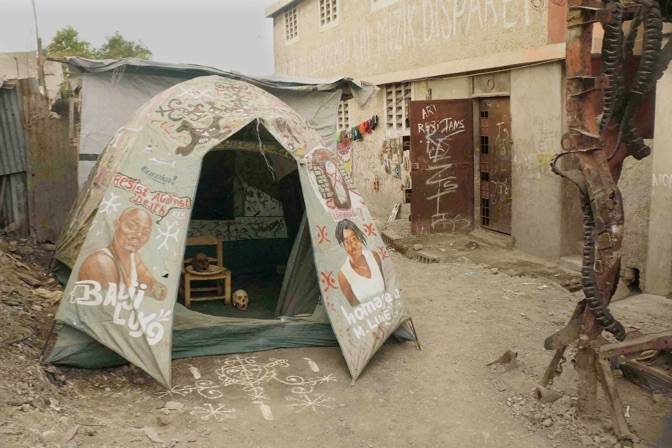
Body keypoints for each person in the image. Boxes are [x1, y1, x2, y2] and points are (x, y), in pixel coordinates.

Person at [78, 207, 167, 300]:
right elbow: (108, 304)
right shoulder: (100, 261)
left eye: (146, 232)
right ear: (116, 225)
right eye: (131, 226)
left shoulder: (134, 257)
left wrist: (155, 287)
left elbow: (145, 278)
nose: (139, 235)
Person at [335, 219, 385, 307]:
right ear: (342, 245)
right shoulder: (343, 275)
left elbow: (385, 292)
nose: (353, 245)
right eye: (347, 242)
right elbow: (355, 310)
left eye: (355, 238)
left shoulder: (374, 257)